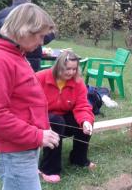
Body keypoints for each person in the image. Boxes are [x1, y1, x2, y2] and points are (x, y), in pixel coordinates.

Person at [0, 3, 60, 190]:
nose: (41, 42)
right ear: (24, 30)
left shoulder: (15, 54)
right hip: (13, 151)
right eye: (40, 36)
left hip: (22, 147)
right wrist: (36, 134)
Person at [36, 50, 96, 183]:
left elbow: (82, 106)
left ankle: (79, 159)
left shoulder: (78, 83)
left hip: (63, 119)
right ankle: (49, 169)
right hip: (41, 120)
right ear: (58, 66)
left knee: (85, 123)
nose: (71, 72)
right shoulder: (40, 77)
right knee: (56, 122)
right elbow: (29, 102)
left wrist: (85, 121)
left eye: (74, 69)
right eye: (67, 69)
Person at [0, 0, 55, 71]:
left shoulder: (0, 14)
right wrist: (51, 35)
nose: (41, 42)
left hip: (7, 54)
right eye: (41, 36)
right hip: (32, 58)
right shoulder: (34, 16)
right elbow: (46, 36)